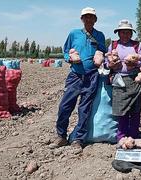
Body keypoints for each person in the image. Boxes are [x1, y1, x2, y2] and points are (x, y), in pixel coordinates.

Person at [49, 7, 107, 153]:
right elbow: (65, 51)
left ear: (95, 19)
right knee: (65, 106)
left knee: (85, 108)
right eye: (86, 17)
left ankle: (78, 139)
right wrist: (70, 58)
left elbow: (103, 51)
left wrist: (100, 56)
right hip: (75, 76)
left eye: (91, 17)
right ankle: (61, 136)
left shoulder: (99, 35)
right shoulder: (74, 33)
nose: (88, 19)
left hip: (92, 76)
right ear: (82, 19)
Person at [105, 19, 141, 143]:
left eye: (128, 32)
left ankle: (134, 134)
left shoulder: (137, 45)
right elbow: (107, 62)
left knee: (135, 109)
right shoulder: (113, 45)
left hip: (136, 80)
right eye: (122, 32)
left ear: (131, 33)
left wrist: (135, 62)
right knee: (121, 110)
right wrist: (111, 64)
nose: (125, 35)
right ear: (118, 33)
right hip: (119, 80)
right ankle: (121, 137)